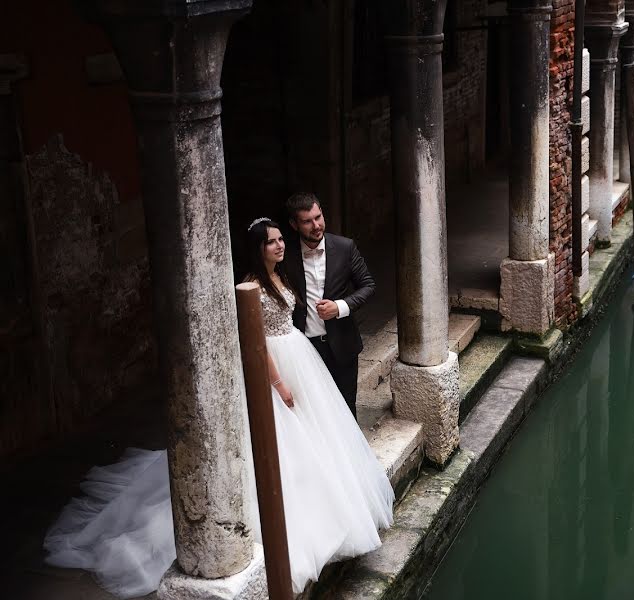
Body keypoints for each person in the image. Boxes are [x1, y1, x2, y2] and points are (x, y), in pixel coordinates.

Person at [42, 218, 394, 598]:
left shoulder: (282, 276)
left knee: (314, 433)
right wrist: (277, 384)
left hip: (299, 356)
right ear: (258, 250)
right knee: (277, 439)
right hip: (274, 363)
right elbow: (254, 339)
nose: (280, 246)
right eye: (272, 243)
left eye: (280, 240)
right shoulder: (252, 286)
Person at [280, 192, 374, 419]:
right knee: (313, 410)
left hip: (342, 343)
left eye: (318, 217)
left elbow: (368, 286)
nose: (316, 225)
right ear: (294, 224)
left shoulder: (345, 247)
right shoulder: (285, 255)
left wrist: (340, 307)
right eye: (307, 221)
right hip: (304, 348)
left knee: (346, 405)